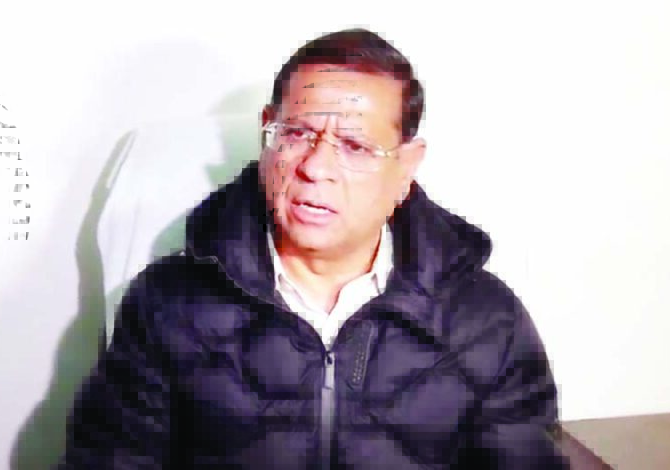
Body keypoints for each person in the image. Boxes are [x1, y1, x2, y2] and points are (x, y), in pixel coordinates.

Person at [58, 28, 570, 469]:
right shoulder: (167, 304)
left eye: (355, 146)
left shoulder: (487, 321)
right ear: (266, 136)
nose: (315, 167)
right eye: (297, 134)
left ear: (405, 167)